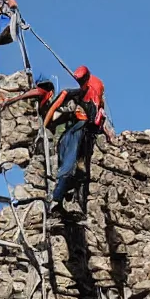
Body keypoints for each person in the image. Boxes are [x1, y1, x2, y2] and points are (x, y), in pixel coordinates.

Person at [41, 66, 115, 215]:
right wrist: (43, 128)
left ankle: (68, 201)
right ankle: (56, 200)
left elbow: (98, 115)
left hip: (85, 134)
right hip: (75, 133)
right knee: (69, 168)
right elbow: (55, 108)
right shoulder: (71, 95)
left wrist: (106, 133)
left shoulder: (93, 92)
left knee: (79, 172)